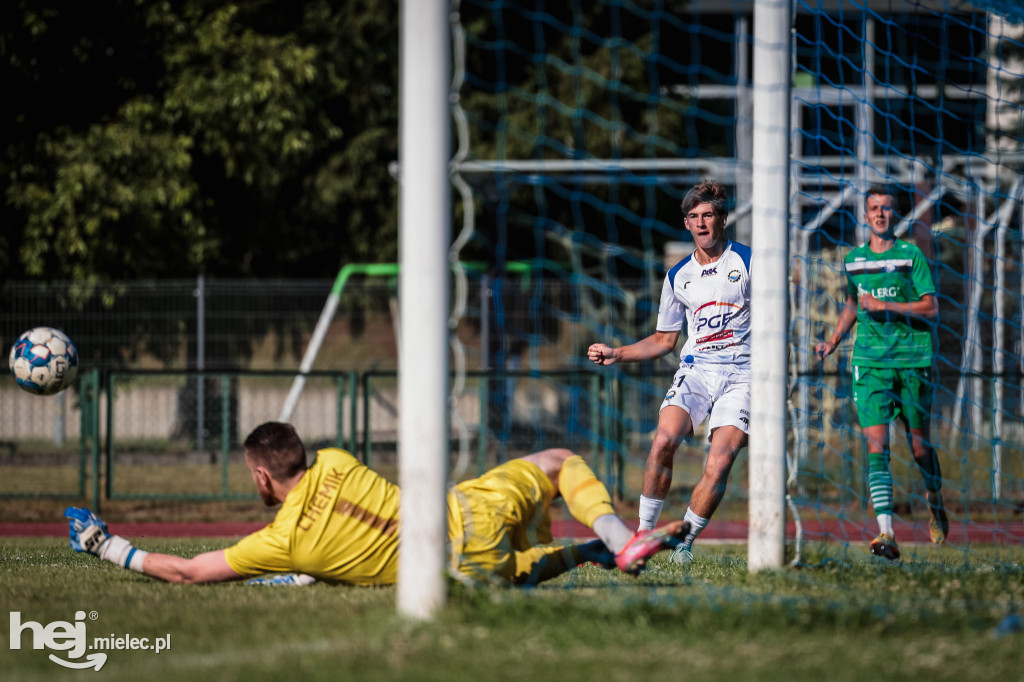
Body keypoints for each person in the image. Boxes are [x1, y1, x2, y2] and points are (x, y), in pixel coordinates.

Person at [65, 421, 687, 586]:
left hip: (461, 572)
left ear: (260, 477)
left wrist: (106, 544)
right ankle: (616, 537)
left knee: (509, 572)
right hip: (471, 512)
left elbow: (189, 571)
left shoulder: (283, 545)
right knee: (556, 461)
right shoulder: (335, 459)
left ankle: (584, 555)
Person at [587, 179, 751, 564]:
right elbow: (664, 340)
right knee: (663, 441)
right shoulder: (679, 275)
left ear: (722, 220)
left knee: (721, 459)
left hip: (742, 375)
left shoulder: (747, 261)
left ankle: (685, 542)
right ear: (686, 224)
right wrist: (617, 352)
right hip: (696, 371)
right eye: (693, 217)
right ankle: (642, 538)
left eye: (708, 215)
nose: (701, 223)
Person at [815, 185, 948, 560]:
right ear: (866, 215)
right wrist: (834, 341)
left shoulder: (911, 256)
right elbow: (852, 305)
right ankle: (886, 532)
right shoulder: (854, 260)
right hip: (870, 363)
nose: (880, 214)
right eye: (874, 208)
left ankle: (934, 498)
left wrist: (886, 304)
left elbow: (931, 307)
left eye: (886, 209)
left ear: (895, 214)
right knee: (877, 444)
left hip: (912, 359)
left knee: (919, 446)